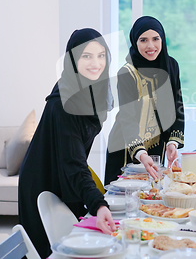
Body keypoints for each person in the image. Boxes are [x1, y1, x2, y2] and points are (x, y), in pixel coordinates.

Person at [18, 28, 116, 258]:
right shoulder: (67, 100)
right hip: (43, 179)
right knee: (50, 248)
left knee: (73, 241)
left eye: (101, 55)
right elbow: (73, 161)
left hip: (63, 170)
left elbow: (74, 157)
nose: (96, 63)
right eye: (86, 56)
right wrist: (99, 204)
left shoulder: (88, 89)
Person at [105, 16, 184, 185]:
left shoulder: (171, 66)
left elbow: (178, 105)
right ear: (135, 42)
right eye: (143, 40)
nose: (151, 46)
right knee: (124, 198)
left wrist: (172, 143)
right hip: (125, 146)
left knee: (154, 194)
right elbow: (128, 117)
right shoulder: (127, 73)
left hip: (157, 143)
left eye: (156, 39)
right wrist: (141, 154)